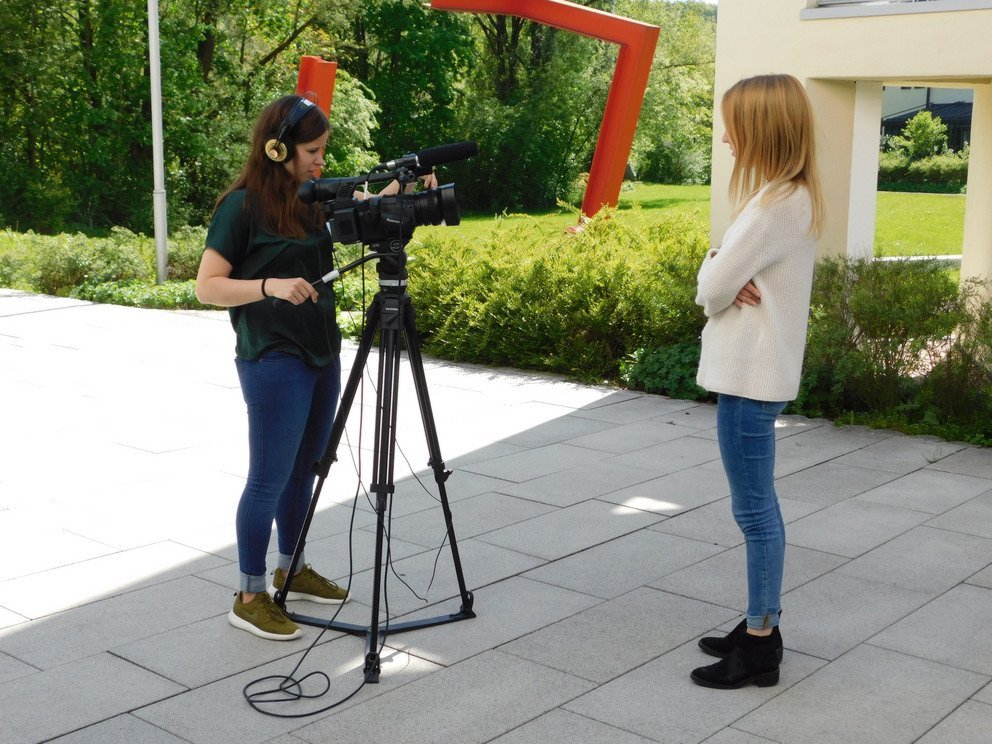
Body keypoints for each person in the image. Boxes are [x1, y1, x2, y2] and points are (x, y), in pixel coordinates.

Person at [195, 94, 433, 641]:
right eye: (312, 151)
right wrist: (268, 285)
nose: (321, 160)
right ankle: (250, 594)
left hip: (323, 352)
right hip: (273, 358)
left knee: (305, 471)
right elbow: (207, 286)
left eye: (323, 150)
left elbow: (366, 207)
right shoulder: (241, 207)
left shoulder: (313, 198)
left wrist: (403, 185)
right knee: (268, 478)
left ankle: (291, 568)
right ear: (278, 148)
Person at [690, 74, 824, 688]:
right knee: (757, 509)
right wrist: (719, 264)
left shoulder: (773, 206)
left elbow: (714, 290)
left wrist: (716, 268)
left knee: (755, 513)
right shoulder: (788, 197)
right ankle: (756, 623)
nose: (725, 136)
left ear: (761, 129)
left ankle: (761, 644)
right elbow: (721, 273)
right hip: (756, 374)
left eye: (734, 124)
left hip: (748, 377)